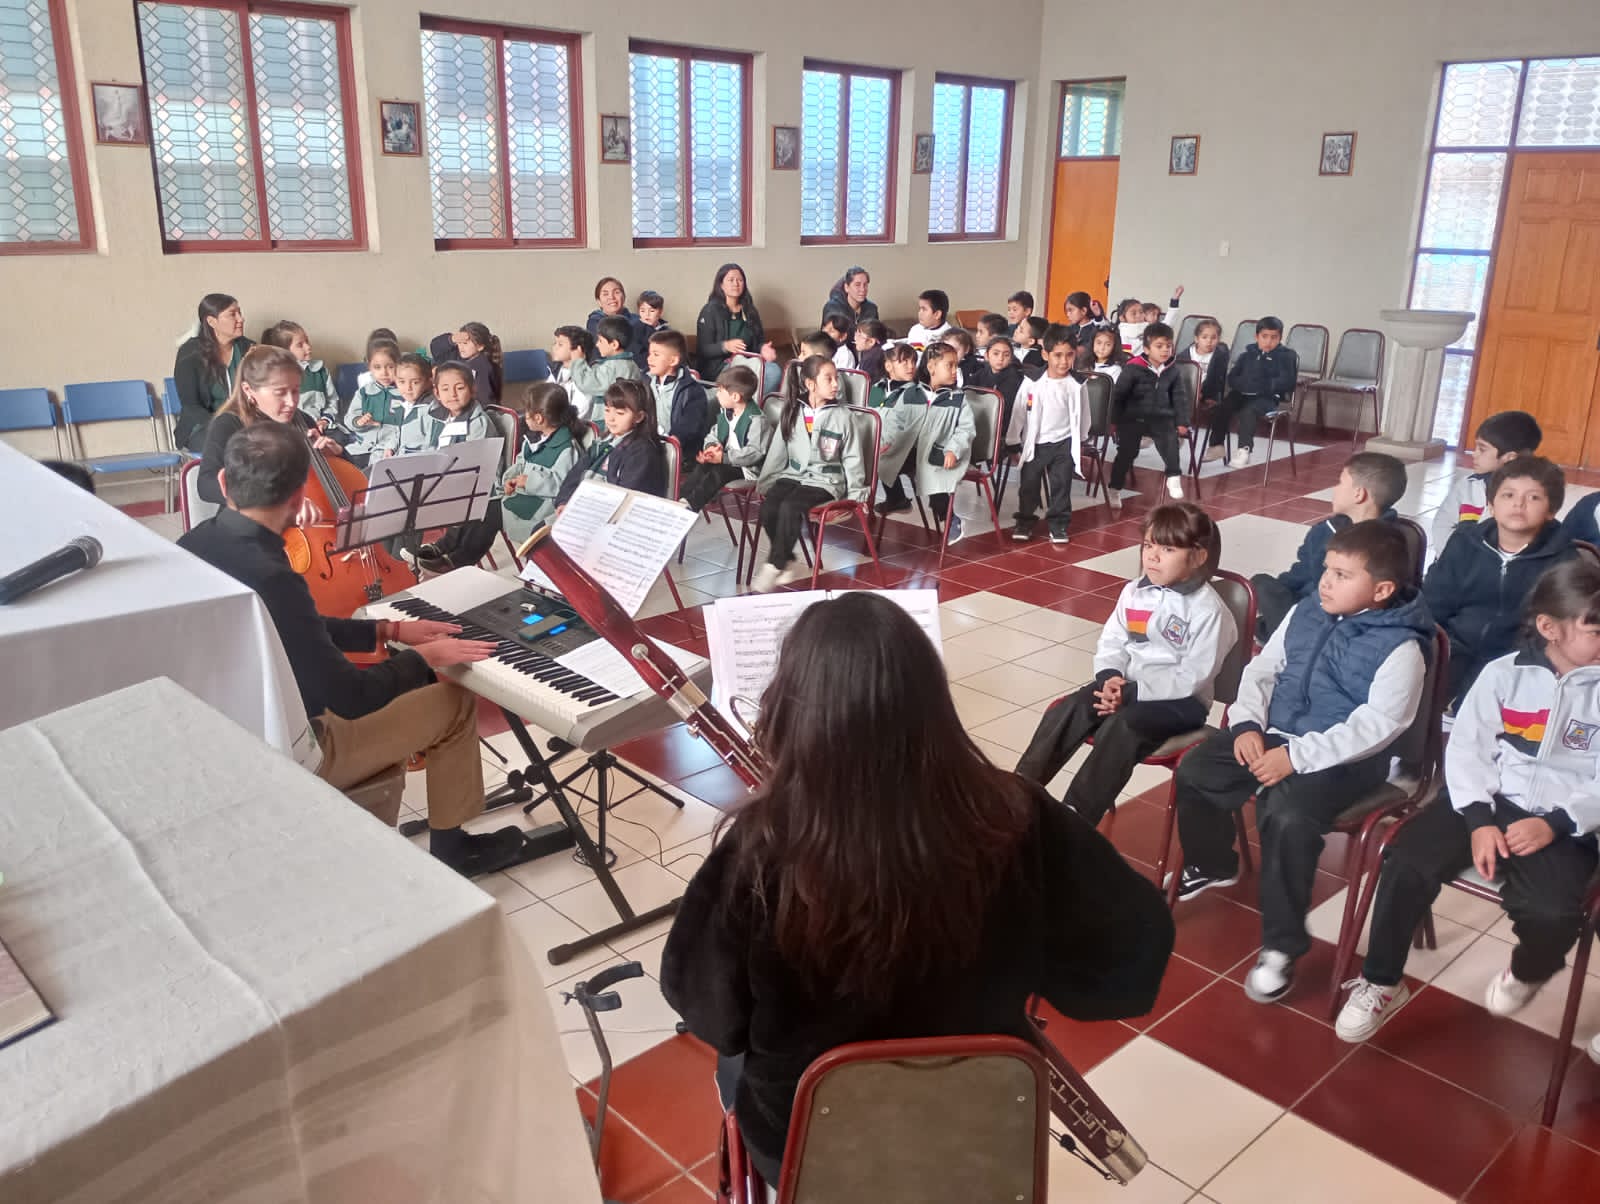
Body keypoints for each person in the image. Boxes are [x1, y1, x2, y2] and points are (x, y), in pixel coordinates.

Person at [660, 592, 1174, 1188]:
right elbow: (1127, 966)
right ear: (932, 702)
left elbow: (707, 1012)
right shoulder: (1017, 816)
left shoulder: (760, 845)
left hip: (813, 1148)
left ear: (791, 710)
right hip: (980, 1128)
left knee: (736, 1070)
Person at [179, 421, 527, 877]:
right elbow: (350, 698)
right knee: (455, 703)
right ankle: (454, 850)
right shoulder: (273, 575)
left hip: (225, 732)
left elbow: (288, 625)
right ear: (300, 499)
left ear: (224, 482)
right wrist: (424, 658)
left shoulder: (195, 544)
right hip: (293, 748)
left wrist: (387, 630)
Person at [1332, 558, 1600, 1042]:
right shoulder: (1503, 675)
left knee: (1554, 915)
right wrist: (1478, 819)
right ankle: (1382, 981)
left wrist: (1557, 823)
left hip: (1564, 822)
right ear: (1549, 628)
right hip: (1486, 801)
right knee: (1405, 861)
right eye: (1596, 631)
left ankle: (1528, 972)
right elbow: (1467, 750)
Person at [1170, 522, 1434, 1004]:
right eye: (1326, 570)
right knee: (1196, 769)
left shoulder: (1403, 647)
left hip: (1346, 760)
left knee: (1287, 815)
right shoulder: (1306, 611)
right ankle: (1214, 862)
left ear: (1381, 590)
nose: (1325, 582)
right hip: (1274, 735)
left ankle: (1281, 946)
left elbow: (1379, 725)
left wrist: (1296, 757)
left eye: (1341, 575)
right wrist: (1246, 725)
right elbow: (1263, 670)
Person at [1017, 503, 1235, 825]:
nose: (1153, 556)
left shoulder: (1209, 612)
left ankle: (1075, 818)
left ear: (1198, 556)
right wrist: (1109, 678)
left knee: (1124, 726)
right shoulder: (1134, 591)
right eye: (1148, 545)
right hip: (1125, 688)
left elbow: (1192, 677)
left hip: (1181, 702)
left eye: (1168, 549)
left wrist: (1130, 694)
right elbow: (1113, 641)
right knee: (1070, 707)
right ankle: (1019, 791)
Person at [1425, 456, 1575, 708]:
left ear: (1551, 511)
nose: (1519, 503)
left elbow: (1555, 629)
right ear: (1491, 505)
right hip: (1455, 647)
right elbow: (1434, 602)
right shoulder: (1465, 542)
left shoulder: (1564, 560)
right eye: (1508, 495)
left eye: (1533, 497)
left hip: (1517, 659)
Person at [1250, 451, 1408, 639]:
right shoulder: (1325, 529)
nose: (1334, 489)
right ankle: (1278, 629)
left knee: (1269, 601)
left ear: (1359, 494)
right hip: (1309, 603)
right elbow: (1299, 574)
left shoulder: (1386, 543)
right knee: (1262, 585)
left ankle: (1282, 633)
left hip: (1340, 613)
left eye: (1340, 482)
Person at [752, 356, 866, 592]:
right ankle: (787, 558)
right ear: (810, 384)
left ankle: (775, 564)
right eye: (829, 379)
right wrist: (766, 481)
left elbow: (853, 457)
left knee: (791, 507)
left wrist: (857, 494)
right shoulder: (793, 410)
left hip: (826, 480)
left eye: (836, 378)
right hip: (794, 474)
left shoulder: (843, 416)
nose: (836, 384)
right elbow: (778, 449)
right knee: (769, 507)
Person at [196, 345, 343, 504]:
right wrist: (271, 499)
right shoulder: (229, 424)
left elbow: (347, 476)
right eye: (280, 392)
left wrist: (337, 455)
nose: (291, 402)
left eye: (295, 391)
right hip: (251, 515)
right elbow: (206, 485)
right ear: (248, 390)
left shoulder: (303, 420)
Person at [1008, 325, 1084, 545]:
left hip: (1064, 443)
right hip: (1036, 443)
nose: (1064, 361)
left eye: (1069, 355)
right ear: (1045, 355)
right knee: (1029, 485)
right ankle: (1025, 521)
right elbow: (1018, 412)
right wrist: (1013, 441)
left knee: (1061, 485)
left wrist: (1080, 438)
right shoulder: (1032, 381)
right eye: (1057, 355)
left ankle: (1058, 524)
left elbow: (1083, 414)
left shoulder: (1077, 384)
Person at [1432, 410, 1542, 557]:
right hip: (1453, 562)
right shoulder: (1467, 485)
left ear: (1509, 457)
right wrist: (1454, 559)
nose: (1474, 454)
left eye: (1482, 449)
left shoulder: (1527, 496)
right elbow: (1442, 525)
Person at [1107, 321, 1191, 505]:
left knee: (1170, 443)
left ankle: (1174, 476)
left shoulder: (1173, 370)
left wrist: (1182, 422)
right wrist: (1113, 421)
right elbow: (1119, 396)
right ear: (1146, 349)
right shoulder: (1133, 367)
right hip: (1133, 417)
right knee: (1127, 453)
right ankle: (1115, 488)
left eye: (1168, 346)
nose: (1165, 350)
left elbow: (1179, 397)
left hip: (1161, 417)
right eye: (1159, 346)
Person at [554, 379, 668, 509]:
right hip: (580, 506)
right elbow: (574, 475)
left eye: (620, 413)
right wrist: (563, 502)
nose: (611, 418)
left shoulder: (642, 453)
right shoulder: (604, 441)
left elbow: (625, 499)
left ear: (639, 417)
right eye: (607, 410)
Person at [1207, 316, 1298, 468]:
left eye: (1274, 337)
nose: (1268, 341)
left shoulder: (1286, 356)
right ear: (1257, 337)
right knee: (1223, 406)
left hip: (1267, 397)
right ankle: (1216, 445)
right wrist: (1244, 384)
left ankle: (1244, 450)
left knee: (1248, 411)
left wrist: (1264, 385)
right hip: (1243, 394)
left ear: (1280, 338)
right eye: (1264, 336)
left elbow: (1288, 382)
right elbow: (1232, 377)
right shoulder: (1247, 355)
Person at [912, 342, 977, 545]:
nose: (955, 370)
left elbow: (966, 430)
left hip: (944, 452)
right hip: (916, 451)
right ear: (931, 367)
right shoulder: (913, 393)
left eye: (956, 365)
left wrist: (952, 450)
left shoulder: (958, 399)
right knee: (883, 463)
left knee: (930, 470)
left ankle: (951, 520)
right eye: (949, 365)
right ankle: (896, 499)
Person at [173, 293, 254, 452]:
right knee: (232, 446)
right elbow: (191, 406)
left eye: (240, 313)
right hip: (202, 426)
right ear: (211, 321)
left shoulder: (248, 348)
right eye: (232, 314)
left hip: (243, 424)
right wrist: (223, 425)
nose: (241, 319)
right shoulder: (190, 353)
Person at [680, 365, 768, 512]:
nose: (717, 394)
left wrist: (723, 458)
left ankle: (691, 505)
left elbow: (755, 453)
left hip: (748, 468)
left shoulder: (757, 420)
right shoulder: (727, 412)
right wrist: (711, 448)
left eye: (720, 391)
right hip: (726, 459)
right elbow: (713, 434)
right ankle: (679, 498)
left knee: (719, 472)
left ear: (735, 397)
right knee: (702, 467)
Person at [868, 341, 926, 514]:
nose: (911, 366)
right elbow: (869, 419)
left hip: (908, 450)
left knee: (874, 460)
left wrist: (883, 446)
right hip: (883, 444)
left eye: (913, 361)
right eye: (904, 362)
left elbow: (907, 432)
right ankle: (895, 498)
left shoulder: (914, 393)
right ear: (888, 366)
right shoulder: (878, 388)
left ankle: (894, 499)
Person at [696, 263, 777, 382]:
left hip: (749, 363)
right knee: (751, 376)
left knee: (774, 371)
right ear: (721, 285)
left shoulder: (750, 310)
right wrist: (725, 346)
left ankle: (748, 394)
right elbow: (704, 349)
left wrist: (763, 348)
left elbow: (757, 343)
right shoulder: (710, 311)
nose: (736, 284)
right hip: (720, 369)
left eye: (740, 280)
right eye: (731, 280)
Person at [259, 320, 341, 434]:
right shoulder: (276, 377)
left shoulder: (321, 371)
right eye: (300, 345)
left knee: (339, 439)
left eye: (307, 341)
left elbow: (332, 401)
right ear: (285, 351)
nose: (308, 347)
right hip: (294, 431)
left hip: (324, 428)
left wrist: (325, 420)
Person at [645, 329, 710, 458]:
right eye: (649, 353)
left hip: (676, 452)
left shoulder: (692, 391)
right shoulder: (644, 382)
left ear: (673, 361)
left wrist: (673, 442)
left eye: (656, 355)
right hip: (646, 445)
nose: (649, 359)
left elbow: (689, 425)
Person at [343, 338, 404, 462]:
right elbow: (349, 419)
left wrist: (392, 446)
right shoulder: (364, 393)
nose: (384, 373)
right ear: (369, 367)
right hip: (363, 446)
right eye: (377, 367)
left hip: (391, 448)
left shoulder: (404, 392)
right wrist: (359, 421)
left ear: (399, 365)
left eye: (390, 367)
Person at [570, 315, 644, 407]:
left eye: (600, 341)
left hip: (606, 414)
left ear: (614, 344)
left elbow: (586, 384)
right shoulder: (631, 364)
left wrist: (578, 361)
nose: (597, 344)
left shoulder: (612, 367)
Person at [1174, 318, 1229, 428]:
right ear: (1196, 339)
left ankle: (1182, 426)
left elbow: (1218, 381)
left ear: (1218, 339)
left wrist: (1207, 395)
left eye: (1214, 338)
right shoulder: (1184, 356)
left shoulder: (1220, 357)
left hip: (1207, 393)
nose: (1209, 341)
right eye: (1204, 337)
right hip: (1185, 391)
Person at [971, 335, 1025, 440]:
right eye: (996, 354)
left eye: (1006, 355)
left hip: (1003, 430)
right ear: (986, 355)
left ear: (1011, 358)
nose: (1001, 358)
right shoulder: (980, 374)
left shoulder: (1015, 379)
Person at [586, 276, 648, 364]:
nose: (611, 297)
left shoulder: (639, 320)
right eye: (605, 294)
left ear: (624, 296)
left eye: (616, 292)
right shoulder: (595, 322)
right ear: (599, 301)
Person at [1115, 287, 1182, 357]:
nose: (1138, 315)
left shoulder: (1149, 328)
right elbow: (1127, 353)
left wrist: (1174, 301)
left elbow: (1167, 324)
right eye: (1133, 313)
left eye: (1141, 312)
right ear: (1122, 318)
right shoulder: (1121, 334)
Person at [550, 325, 598, 422]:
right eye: (555, 343)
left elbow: (580, 412)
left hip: (575, 425)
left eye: (560, 344)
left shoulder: (585, 377)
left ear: (577, 350)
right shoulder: (556, 370)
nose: (554, 348)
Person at [451, 321, 502, 407]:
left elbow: (485, 397)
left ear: (480, 346)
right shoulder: (473, 362)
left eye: (465, 343)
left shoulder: (480, 366)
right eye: (459, 343)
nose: (461, 347)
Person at [633, 289, 669, 372]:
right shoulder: (635, 329)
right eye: (642, 311)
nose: (647, 314)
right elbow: (637, 354)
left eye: (652, 311)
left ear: (660, 312)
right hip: (645, 369)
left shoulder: (666, 330)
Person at [853, 319, 888, 383]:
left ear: (871, 341)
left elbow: (863, 384)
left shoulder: (871, 358)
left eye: (859, 336)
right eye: (856, 334)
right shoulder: (874, 351)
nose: (855, 338)